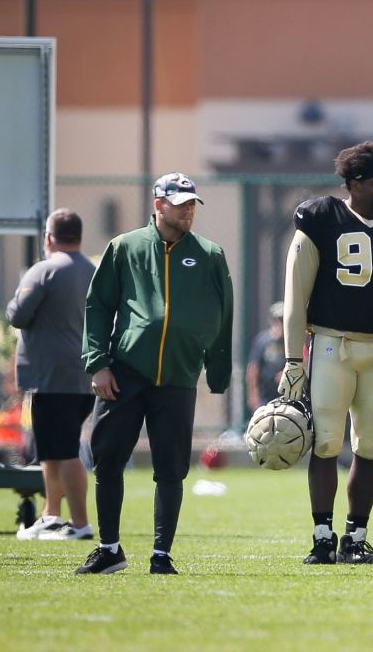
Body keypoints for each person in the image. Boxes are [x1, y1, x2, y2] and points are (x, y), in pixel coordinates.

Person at [74, 173, 234, 575]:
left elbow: (223, 314)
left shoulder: (210, 254)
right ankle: (109, 549)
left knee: (171, 468)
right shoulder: (124, 247)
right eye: (181, 203)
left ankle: (161, 555)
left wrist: (217, 371)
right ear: (158, 204)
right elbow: (98, 307)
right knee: (108, 460)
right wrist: (98, 363)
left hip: (179, 375)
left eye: (192, 203)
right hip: (125, 373)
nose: (188, 210)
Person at [278, 141, 373, 565]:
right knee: (326, 442)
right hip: (330, 344)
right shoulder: (321, 216)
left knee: (371, 446)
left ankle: (356, 539)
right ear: (353, 184)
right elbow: (295, 294)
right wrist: (292, 360)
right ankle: (322, 538)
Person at [5, 209, 98, 541]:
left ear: (49, 237)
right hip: (85, 373)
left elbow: (17, 315)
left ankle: (79, 523)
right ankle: (51, 516)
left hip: (52, 376)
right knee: (53, 448)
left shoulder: (43, 270)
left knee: (64, 449)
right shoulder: (93, 271)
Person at [245, 301, 287, 421]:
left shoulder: (292, 343)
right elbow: (253, 370)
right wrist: (253, 396)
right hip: (265, 397)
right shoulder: (262, 341)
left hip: (285, 398)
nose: (281, 324)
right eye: (278, 320)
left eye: (284, 321)